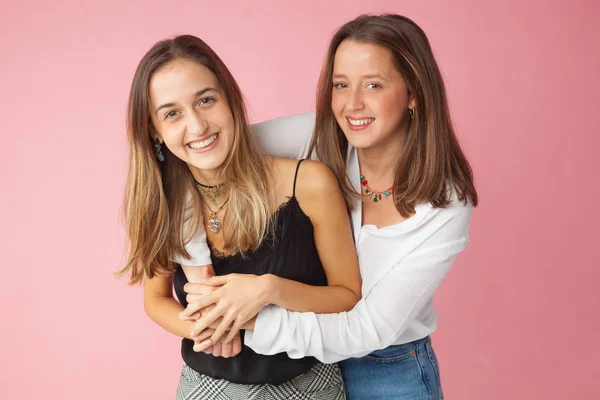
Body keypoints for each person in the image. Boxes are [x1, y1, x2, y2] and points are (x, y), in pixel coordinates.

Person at [183, 14, 478, 400]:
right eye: (341, 85)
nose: (352, 104)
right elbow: (202, 157)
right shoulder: (317, 138)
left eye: (373, 84)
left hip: (388, 370)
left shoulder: (446, 206)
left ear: (414, 93)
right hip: (305, 370)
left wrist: (250, 313)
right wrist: (194, 259)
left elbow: (365, 330)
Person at [118, 34, 361, 399]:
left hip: (309, 385)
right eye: (172, 113)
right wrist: (207, 328)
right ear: (155, 130)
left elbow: (347, 297)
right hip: (205, 388)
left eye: (206, 100)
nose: (197, 127)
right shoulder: (163, 202)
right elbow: (155, 299)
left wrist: (269, 290)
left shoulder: (308, 183)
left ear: (230, 99)